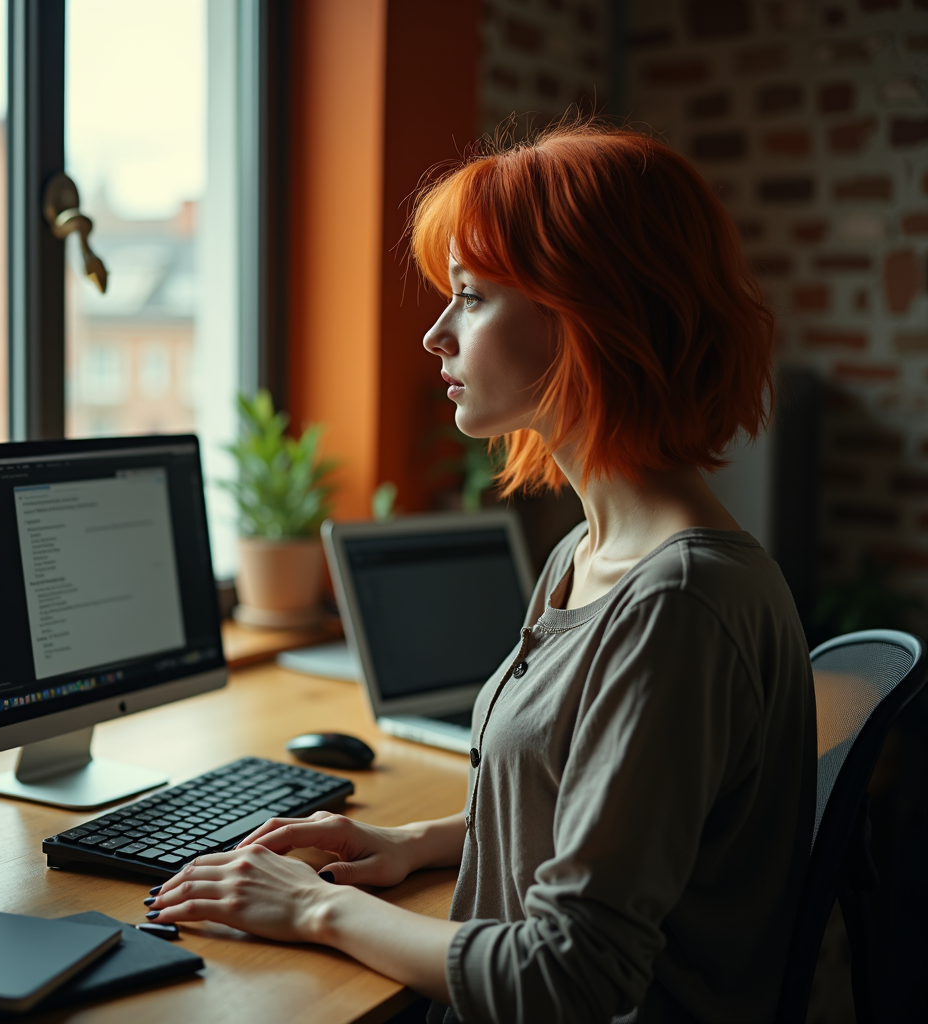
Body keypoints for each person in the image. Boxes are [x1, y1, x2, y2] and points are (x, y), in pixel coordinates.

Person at [144, 123, 816, 1024]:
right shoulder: (586, 557)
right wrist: (409, 841)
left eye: (470, 297)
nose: (435, 334)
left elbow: (568, 976)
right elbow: (600, 828)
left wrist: (313, 905)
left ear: (587, 315)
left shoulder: (678, 607)